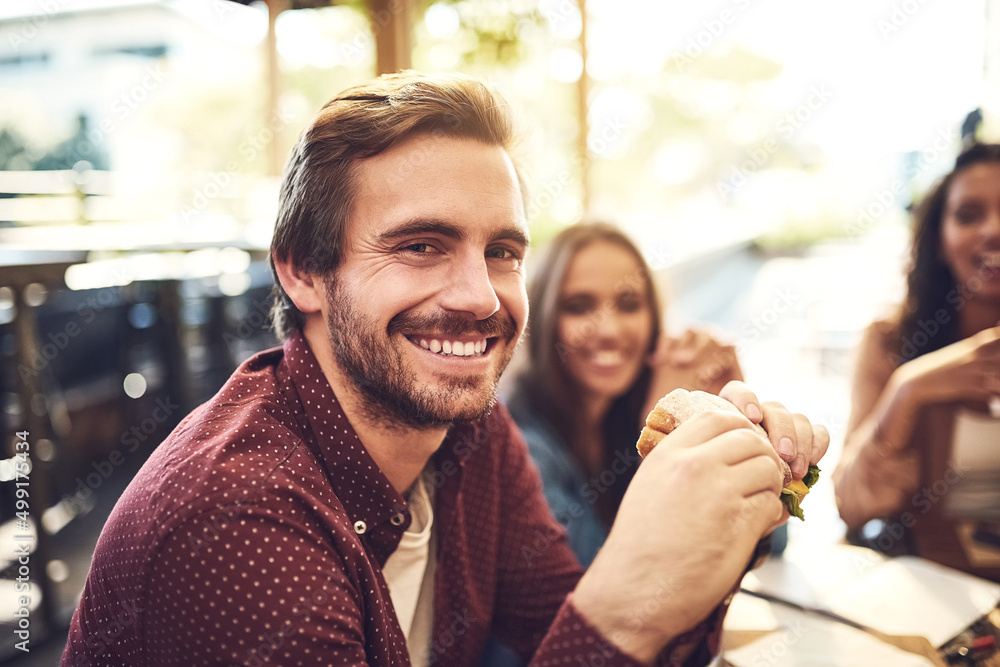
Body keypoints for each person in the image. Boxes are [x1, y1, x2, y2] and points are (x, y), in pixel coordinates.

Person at [62, 71, 829, 666]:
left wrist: (722, 511)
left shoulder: (472, 437)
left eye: (502, 251)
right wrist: (624, 605)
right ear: (303, 271)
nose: (478, 297)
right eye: (421, 245)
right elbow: (607, 633)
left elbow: (559, 631)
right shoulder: (233, 522)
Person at [504, 222, 747, 566]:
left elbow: (769, 534)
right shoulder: (520, 444)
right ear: (543, 319)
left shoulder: (624, 411)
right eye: (579, 306)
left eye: (629, 303)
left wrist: (730, 412)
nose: (609, 330)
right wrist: (664, 444)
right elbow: (598, 578)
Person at [833, 143, 1000, 552]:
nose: (993, 230)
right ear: (941, 241)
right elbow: (851, 505)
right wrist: (908, 388)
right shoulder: (891, 342)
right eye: (968, 215)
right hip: (930, 582)